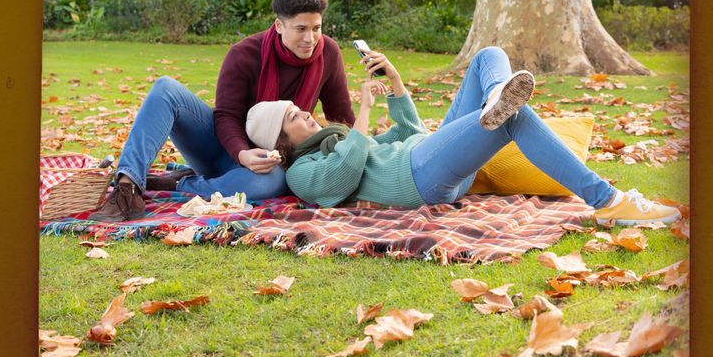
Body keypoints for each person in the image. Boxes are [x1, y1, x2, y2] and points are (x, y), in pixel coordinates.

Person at [243, 45, 681, 226]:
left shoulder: (337, 137)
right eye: (294, 118)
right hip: (421, 178)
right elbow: (345, 173)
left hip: (426, 153)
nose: (306, 114)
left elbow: (411, 131)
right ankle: (609, 203)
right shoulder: (304, 172)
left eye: (300, 109)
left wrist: (394, 82)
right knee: (512, 118)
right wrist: (366, 112)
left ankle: (494, 97)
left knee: (488, 56)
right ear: (281, 143)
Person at [90, 0, 356, 222]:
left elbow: (341, 116)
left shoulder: (328, 53)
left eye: (316, 28)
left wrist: (370, 150)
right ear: (279, 26)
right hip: (222, 148)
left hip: (274, 161)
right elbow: (226, 115)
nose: (310, 38)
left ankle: (178, 184)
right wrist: (242, 153)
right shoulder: (244, 54)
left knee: (272, 183)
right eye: (301, 29)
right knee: (165, 89)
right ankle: (127, 188)